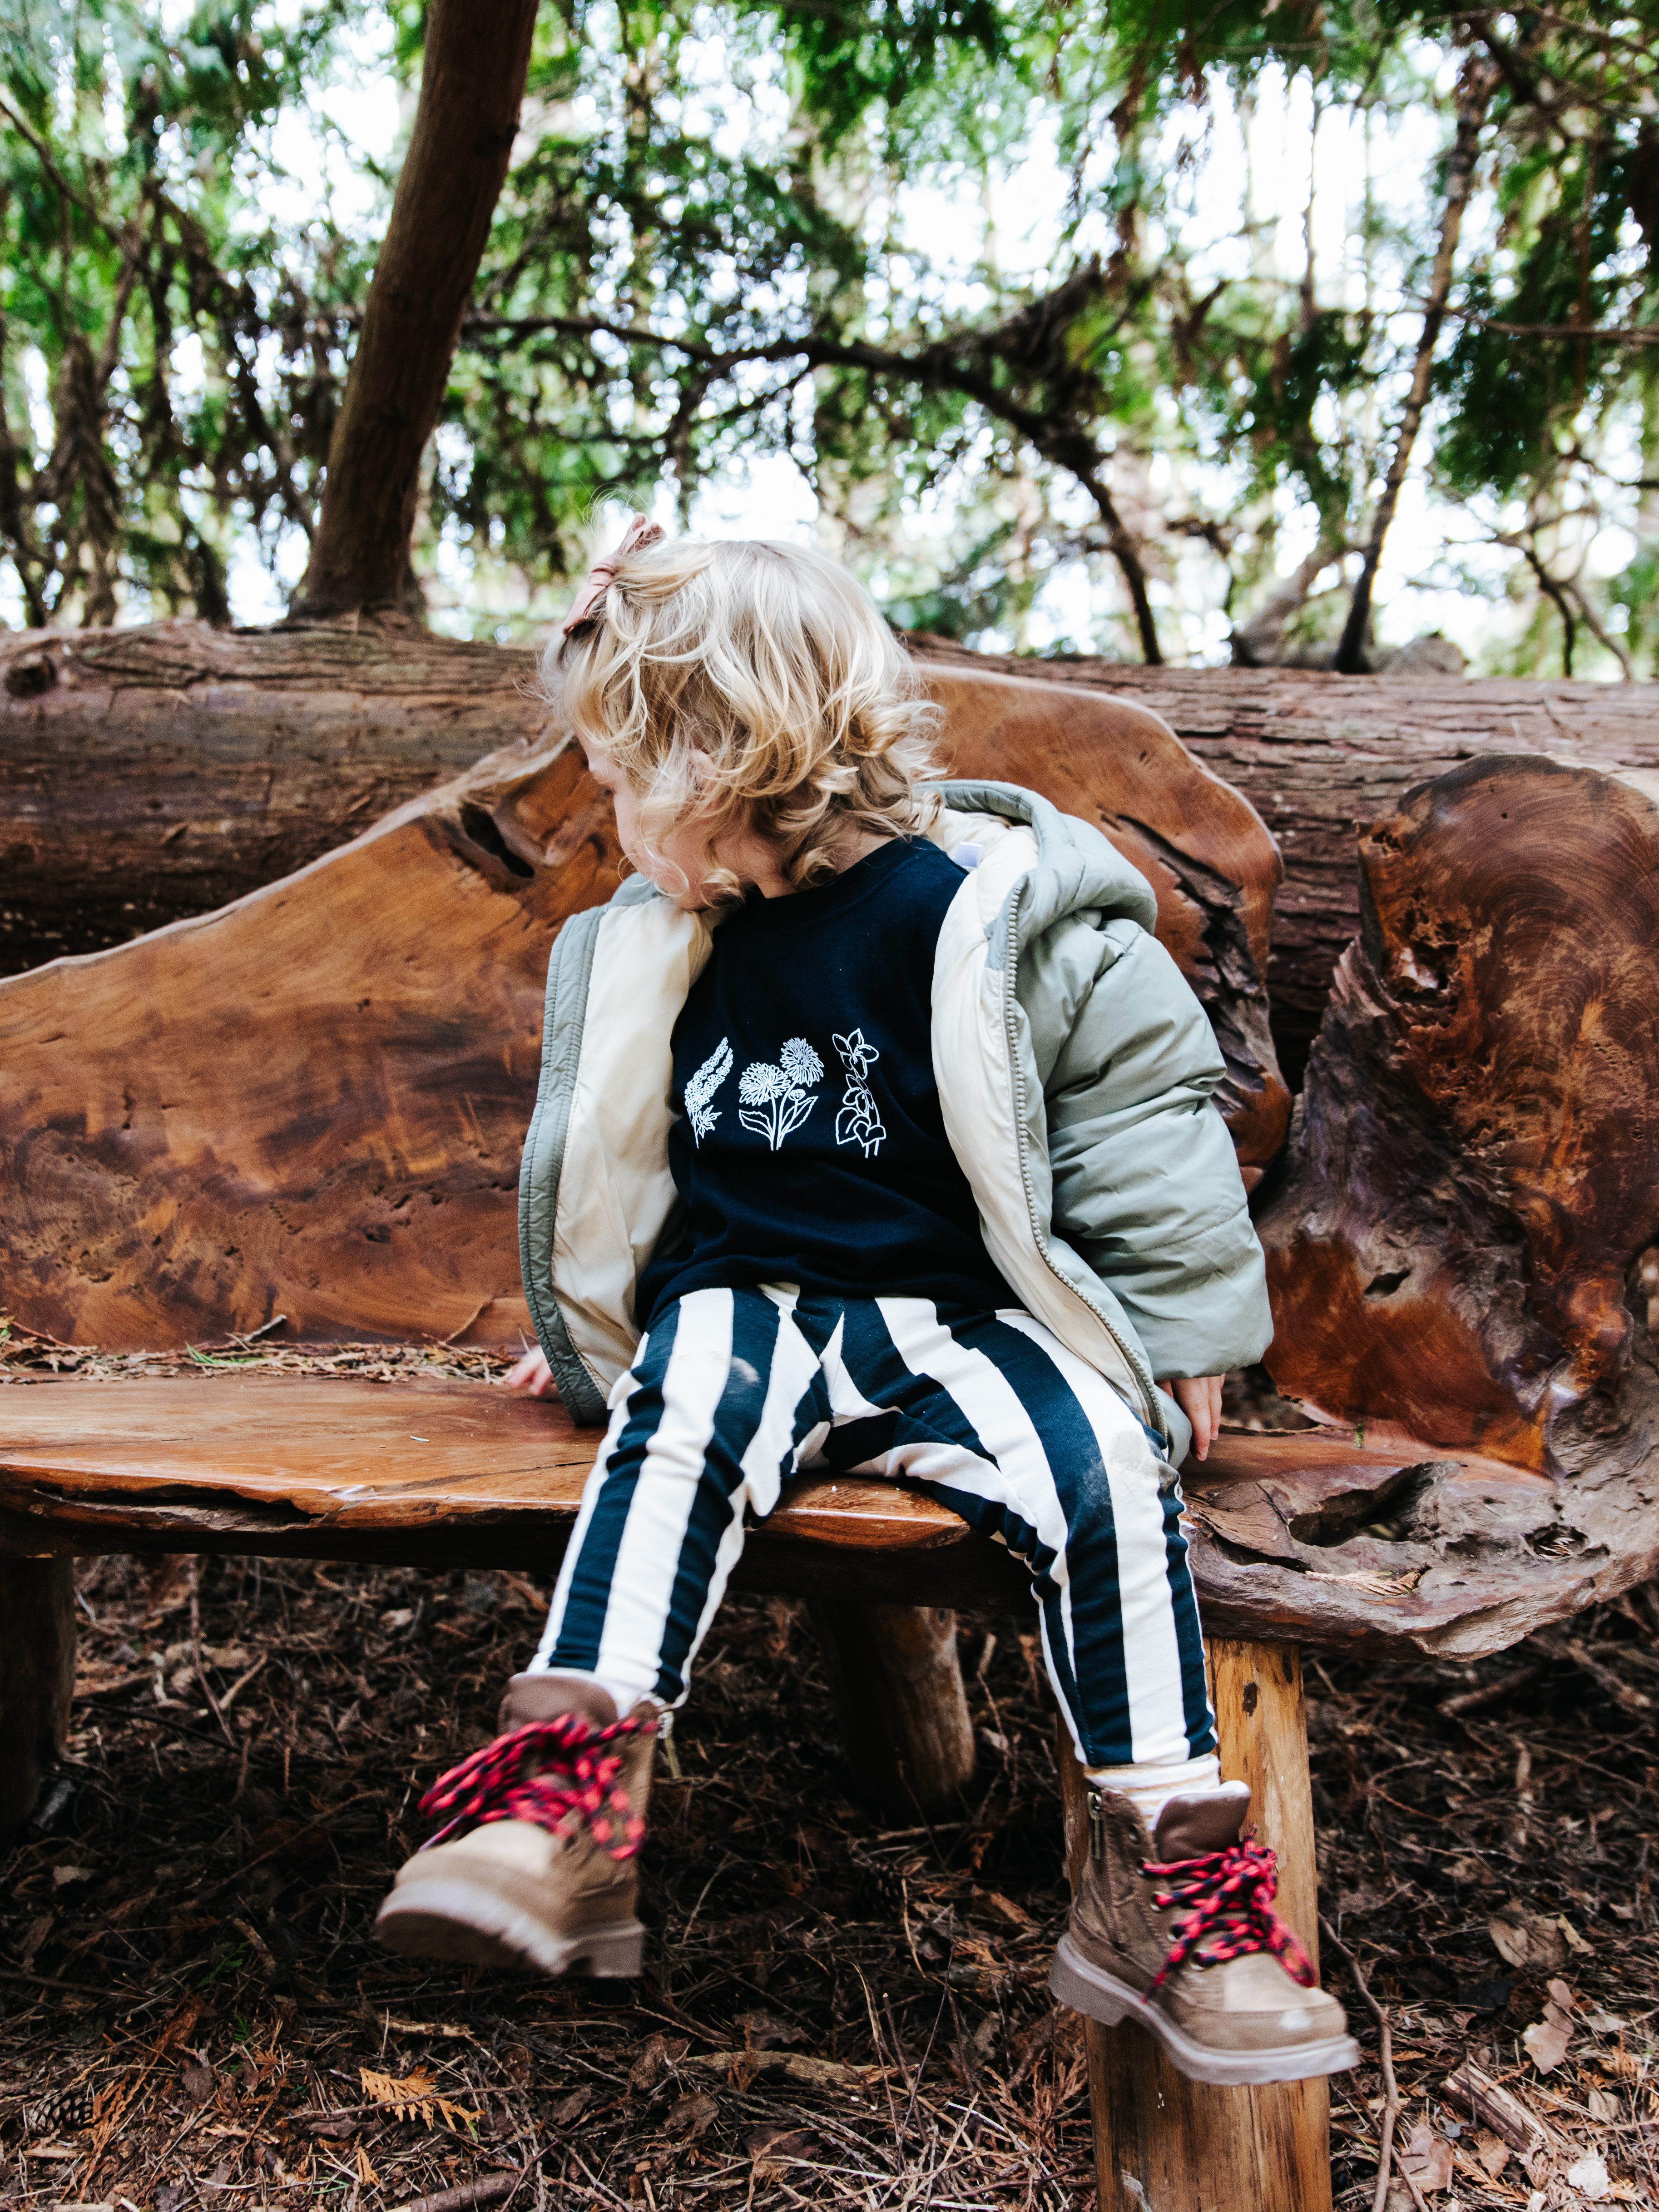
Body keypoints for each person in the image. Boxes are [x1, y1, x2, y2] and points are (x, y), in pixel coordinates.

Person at [374, 520, 1357, 2087]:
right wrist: (572, 1334)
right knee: (671, 1428)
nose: (607, 814)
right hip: (743, 1307)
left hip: (954, 1318)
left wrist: (1175, 1337)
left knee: (1107, 1472)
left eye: (624, 775)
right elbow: (620, 1164)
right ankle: (562, 1807)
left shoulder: (976, 906)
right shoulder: (667, 943)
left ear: (728, 759)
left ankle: (1161, 1885)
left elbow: (1136, 1108)